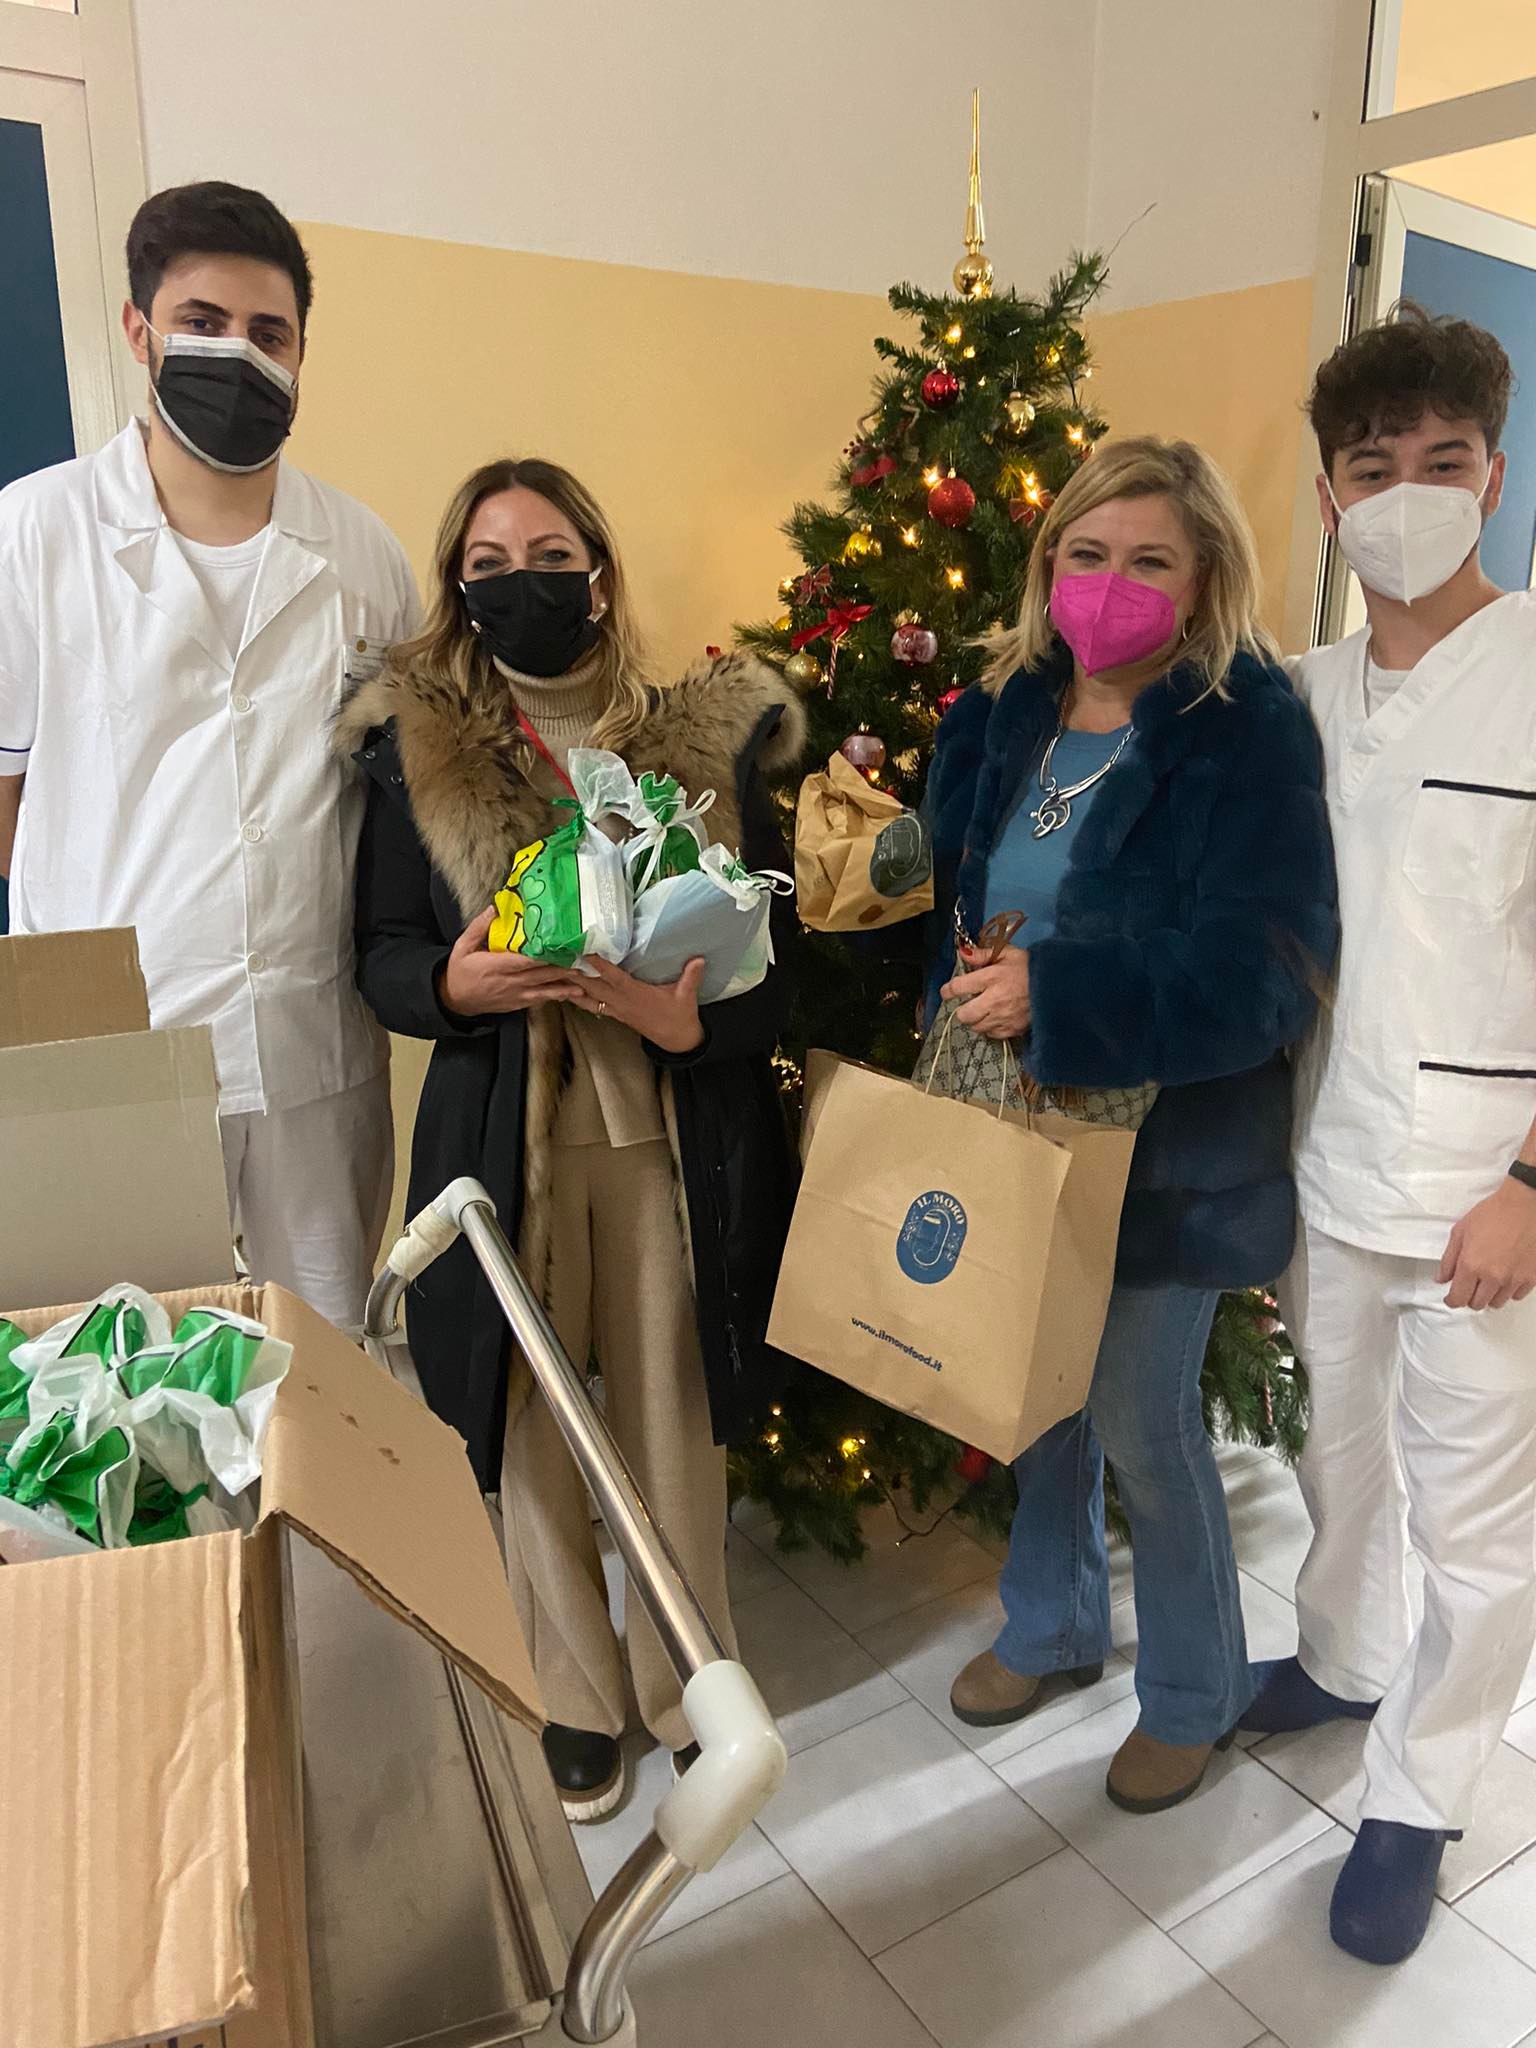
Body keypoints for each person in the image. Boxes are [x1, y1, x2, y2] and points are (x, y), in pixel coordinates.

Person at [339, 457, 802, 1820]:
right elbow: (379, 952)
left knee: (672, 1425)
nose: (521, 584)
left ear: (598, 573)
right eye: (488, 565)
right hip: (501, 1143)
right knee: (528, 1427)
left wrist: (689, 1026)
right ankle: (577, 1699)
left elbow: (778, 959)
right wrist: (451, 984)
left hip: (663, 1140)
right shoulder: (413, 748)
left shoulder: (703, 741)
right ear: (456, 586)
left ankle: (690, 1683)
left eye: (550, 557)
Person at [930, 438, 1337, 1814]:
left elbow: (1267, 972)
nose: (1111, 583)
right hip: (1011, 1129)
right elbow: (958, 893)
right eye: (1088, 553)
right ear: (1050, 564)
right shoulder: (1003, 712)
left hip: (1171, 1157)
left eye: (1151, 559)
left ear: (1204, 575)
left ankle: (1194, 1691)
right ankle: (1051, 1623)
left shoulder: (1245, 727)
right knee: (1034, 1397)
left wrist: (1060, 994)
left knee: (1141, 1423)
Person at [1242, 307, 1536, 1964]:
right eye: (1373, 467)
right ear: (1331, 497)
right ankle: (1343, 1658)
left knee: (1476, 1528)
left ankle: (1420, 1792)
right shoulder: (1298, 695)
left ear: (1491, 476)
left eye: (1443, 461)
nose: (1407, 493)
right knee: (1335, 1458)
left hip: (1484, 1196)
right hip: (1325, 1170)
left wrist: (1533, 1185)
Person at [0, 182, 416, 1333]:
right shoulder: (32, 535)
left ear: (301, 354)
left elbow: (394, 798)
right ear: (139, 331)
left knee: (319, 1364)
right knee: (122, 1378)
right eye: (203, 322)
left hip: (310, 1050)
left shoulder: (364, 554)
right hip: (111, 1057)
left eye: (267, 331)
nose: (237, 354)